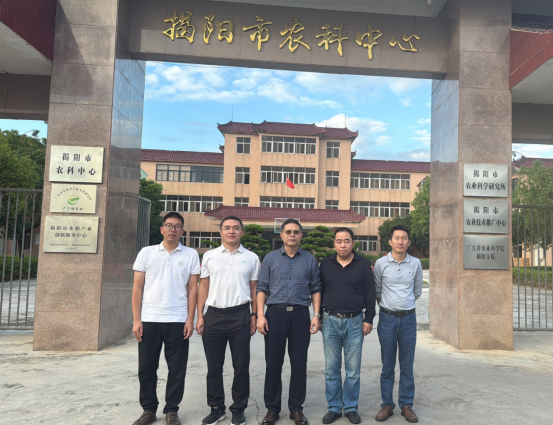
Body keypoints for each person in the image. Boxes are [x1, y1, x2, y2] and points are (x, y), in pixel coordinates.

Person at [131, 212, 200, 425]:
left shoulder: (190, 254)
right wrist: (136, 320)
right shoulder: (147, 253)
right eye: (169, 225)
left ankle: (172, 410)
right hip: (150, 319)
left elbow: (193, 289)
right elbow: (137, 287)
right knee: (146, 369)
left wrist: (190, 319)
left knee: (177, 370)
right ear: (161, 229)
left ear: (182, 231)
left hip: (178, 319)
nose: (172, 229)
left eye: (177, 226)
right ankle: (149, 409)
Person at [196, 216, 261, 425]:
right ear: (221, 232)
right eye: (227, 228)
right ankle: (216, 408)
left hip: (240, 315)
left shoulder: (251, 257)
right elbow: (203, 286)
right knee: (214, 366)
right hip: (213, 315)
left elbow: (254, 288)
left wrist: (254, 315)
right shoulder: (210, 256)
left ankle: (238, 408)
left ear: (242, 232)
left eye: (235, 228)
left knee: (241, 366)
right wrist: (200, 315)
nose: (231, 231)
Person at [256, 219, 321, 425]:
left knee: (299, 364)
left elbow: (315, 288)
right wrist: (260, 315)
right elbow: (262, 288)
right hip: (274, 315)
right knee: (273, 364)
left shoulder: (310, 260)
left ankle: (296, 408)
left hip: (301, 315)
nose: (292, 235)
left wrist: (316, 314)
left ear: (301, 235)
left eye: (296, 232)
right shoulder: (270, 258)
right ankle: (272, 409)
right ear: (282, 235)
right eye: (288, 231)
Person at [319, 228, 376, 425]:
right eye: (339, 241)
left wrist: (369, 319)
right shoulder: (326, 263)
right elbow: (320, 290)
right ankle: (334, 407)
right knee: (331, 369)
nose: (342, 245)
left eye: (346, 241)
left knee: (353, 370)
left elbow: (370, 293)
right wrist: (318, 316)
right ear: (334, 243)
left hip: (355, 322)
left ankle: (351, 407)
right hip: (330, 321)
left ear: (353, 243)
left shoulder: (363, 264)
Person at [373, 225, 423, 423]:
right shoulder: (380, 264)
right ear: (390, 241)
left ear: (409, 242)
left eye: (404, 238)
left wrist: (404, 305)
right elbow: (377, 290)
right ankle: (387, 405)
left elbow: (417, 290)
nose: (400, 241)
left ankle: (406, 405)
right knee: (387, 365)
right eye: (397, 238)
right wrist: (390, 307)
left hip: (409, 319)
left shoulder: (416, 263)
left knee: (407, 365)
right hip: (387, 319)